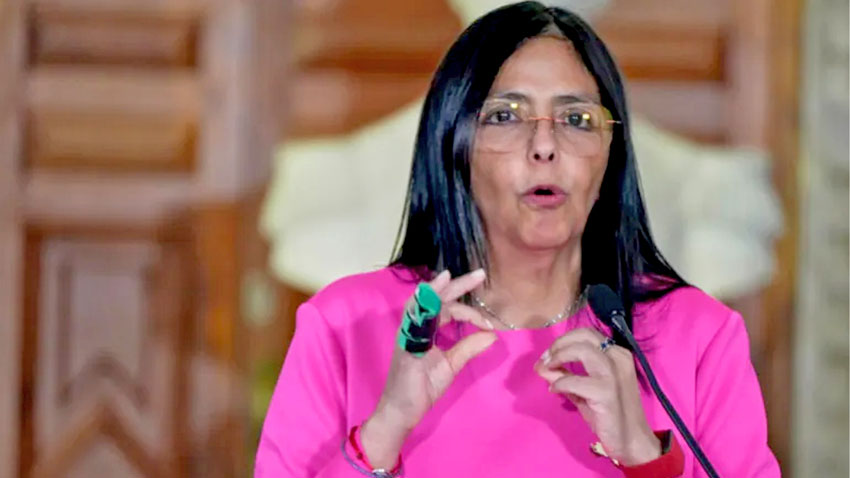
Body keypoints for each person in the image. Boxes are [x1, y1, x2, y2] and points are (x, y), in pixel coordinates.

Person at [254, 3, 781, 477]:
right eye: (505, 116)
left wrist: (646, 459)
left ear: (610, 157)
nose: (545, 145)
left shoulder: (700, 337)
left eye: (577, 119)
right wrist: (383, 431)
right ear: (454, 144)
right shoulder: (344, 326)